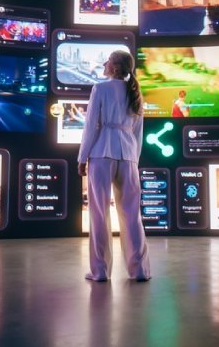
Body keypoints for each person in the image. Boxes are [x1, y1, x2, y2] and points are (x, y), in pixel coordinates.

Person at [78, 50, 150, 282]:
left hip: (101, 154)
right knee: (131, 214)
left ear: (116, 67)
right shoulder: (137, 94)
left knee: (99, 213)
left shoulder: (100, 89)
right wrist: (134, 161)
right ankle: (139, 270)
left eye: (108, 60)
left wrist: (82, 157)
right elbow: (138, 134)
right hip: (128, 156)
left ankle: (100, 271)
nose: (104, 63)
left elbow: (90, 127)